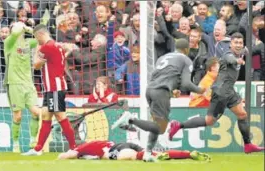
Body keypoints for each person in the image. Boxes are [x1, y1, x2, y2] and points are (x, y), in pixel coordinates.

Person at [111, 38, 206, 162]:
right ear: (187, 49)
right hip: (161, 91)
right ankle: (130, 119)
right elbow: (186, 84)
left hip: (150, 90)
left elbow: (164, 77)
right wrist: (200, 90)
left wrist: (172, 91)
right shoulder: (185, 59)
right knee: (159, 128)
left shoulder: (162, 58)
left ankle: (148, 153)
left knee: (155, 124)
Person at [169, 32, 265, 154]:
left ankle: (248, 145)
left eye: (240, 43)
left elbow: (247, 50)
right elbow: (230, 60)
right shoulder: (228, 54)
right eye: (235, 42)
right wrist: (238, 61)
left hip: (229, 91)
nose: (238, 45)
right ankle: (178, 125)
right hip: (221, 92)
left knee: (242, 114)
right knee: (210, 121)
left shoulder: (240, 52)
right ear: (231, 44)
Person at [22, 24, 76, 156]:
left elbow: (35, 65)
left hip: (55, 87)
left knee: (60, 116)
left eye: (36, 37)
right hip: (51, 88)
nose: (37, 41)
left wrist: (36, 50)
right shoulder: (57, 46)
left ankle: (74, 147)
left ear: (40, 35)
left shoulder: (47, 46)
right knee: (46, 116)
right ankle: (38, 149)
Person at [3, 22, 41, 152]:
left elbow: (40, 38)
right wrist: (21, 26)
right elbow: (14, 33)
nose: (20, 28)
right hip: (14, 83)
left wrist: (30, 29)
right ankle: (15, 143)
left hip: (28, 83)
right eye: (16, 26)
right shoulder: (9, 42)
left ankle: (33, 140)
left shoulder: (28, 43)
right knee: (17, 116)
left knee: (36, 112)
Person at [57, 140, 211, 162]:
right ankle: (188, 154)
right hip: (123, 143)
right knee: (146, 153)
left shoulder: (82, 147)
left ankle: (150, 156)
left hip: (115, 149)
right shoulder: (97, 141)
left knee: (134, 157)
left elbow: (66, 156)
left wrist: (67, 153)